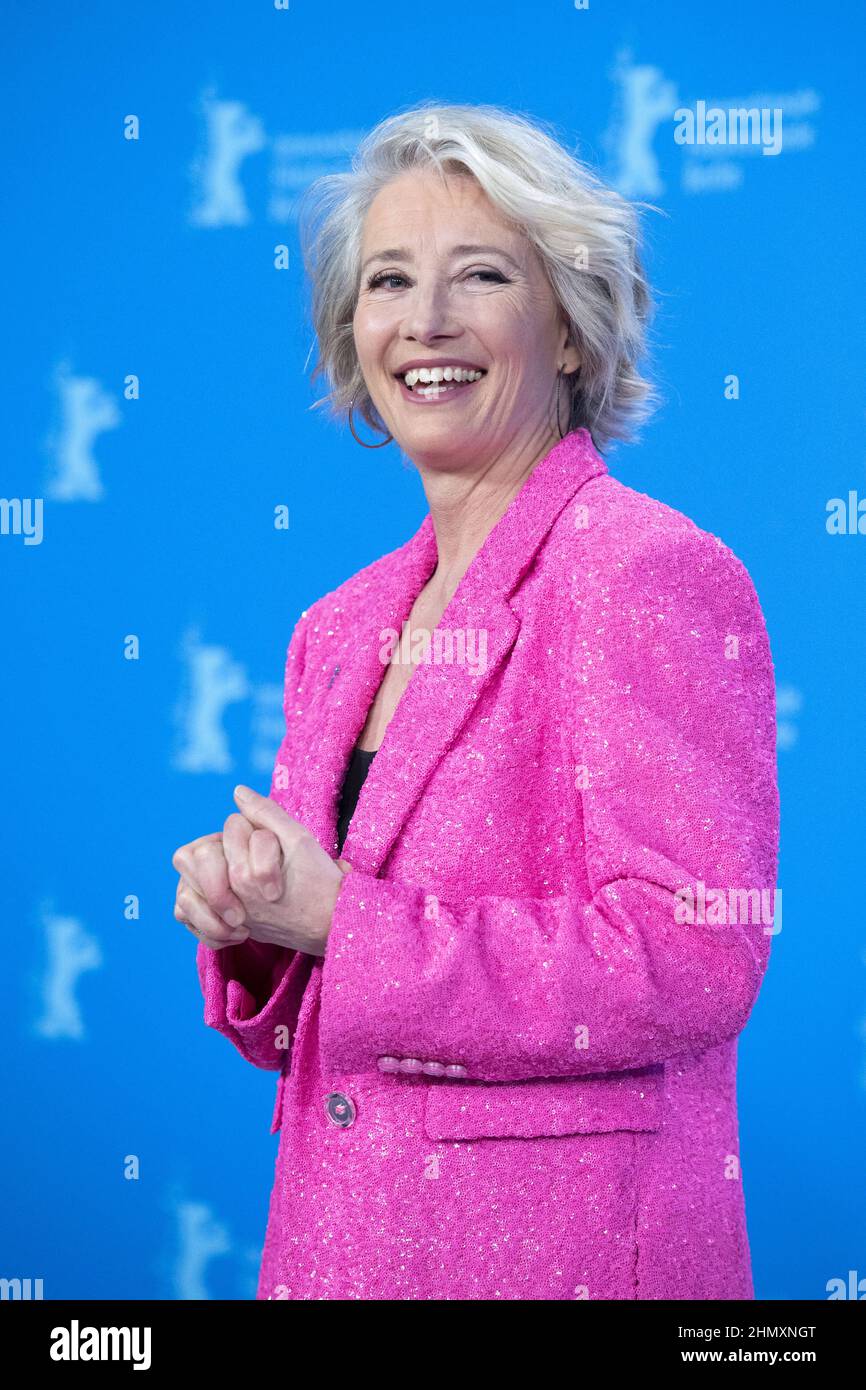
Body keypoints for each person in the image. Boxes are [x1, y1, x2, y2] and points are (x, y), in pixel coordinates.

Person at [171, 102, 779, 1300]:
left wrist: (342, 920)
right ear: (354, 335)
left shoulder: (639, 569)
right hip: (343, 1256)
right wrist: (253, 921)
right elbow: (319, 1026)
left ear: (566, 330)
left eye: (482, 274)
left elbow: (693, 954)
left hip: (567, 1265)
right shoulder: (337, 628)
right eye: (389, 280)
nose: (426, 321)